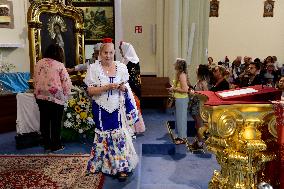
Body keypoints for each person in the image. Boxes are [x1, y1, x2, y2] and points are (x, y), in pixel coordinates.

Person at [84, 40, 139, 181]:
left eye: (110, 52)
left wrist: (122, 88)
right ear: (100, 53)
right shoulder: (94, 68)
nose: (108, 56)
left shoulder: (121, 67)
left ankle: (121, 167)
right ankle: (101, 164)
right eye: (105, 52)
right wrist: (106, 87)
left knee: (118, 136)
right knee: (103, 135)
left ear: (114, 53)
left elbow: (126, 87)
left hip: (117, 108)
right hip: (101, 108)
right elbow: (90, 91)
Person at [33, 43, 72, 152]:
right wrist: (67, 94)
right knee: (56, 122)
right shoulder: (59, 65)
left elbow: (35, 79)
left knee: (44, 121)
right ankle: (56, 145)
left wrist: (37, 92)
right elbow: (66, 82)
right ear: (59, 53)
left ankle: (46, 144)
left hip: (41, 96)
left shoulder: (39, 63)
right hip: (56, 97)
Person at [119, 41, 145, 134]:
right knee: (134, 107)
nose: (121, 53)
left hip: (129, 87)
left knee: (131, 106)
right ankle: (136, 127)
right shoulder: (135, 59)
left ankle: (133, 128)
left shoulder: (127, 61)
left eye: (121, 50)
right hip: (136, 86)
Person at [168, 58, 189, 145]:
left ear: (179, 65)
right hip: (179, 98)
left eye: (175, 63)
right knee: (178, 118)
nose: (174, 64)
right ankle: (180, 135)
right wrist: (173, 88)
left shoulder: (182, 75)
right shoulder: (179, 74)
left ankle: (182, 138)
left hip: (182, 98)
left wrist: (174, 88)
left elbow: (185, 89)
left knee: (181, 119)